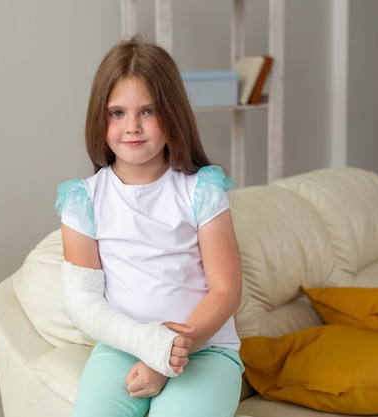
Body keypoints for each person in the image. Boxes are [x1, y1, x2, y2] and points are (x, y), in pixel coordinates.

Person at [55, 35, 245, 417]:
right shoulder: (82, 200)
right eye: (117, 113)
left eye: (148, 111)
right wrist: (147, 344)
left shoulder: (202, 189)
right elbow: (83, 303)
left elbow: (227, 290)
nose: (133, 127)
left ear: (172, 113)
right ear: (100, 117)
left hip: (205, 350)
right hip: (120, 349)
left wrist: (165, 356)